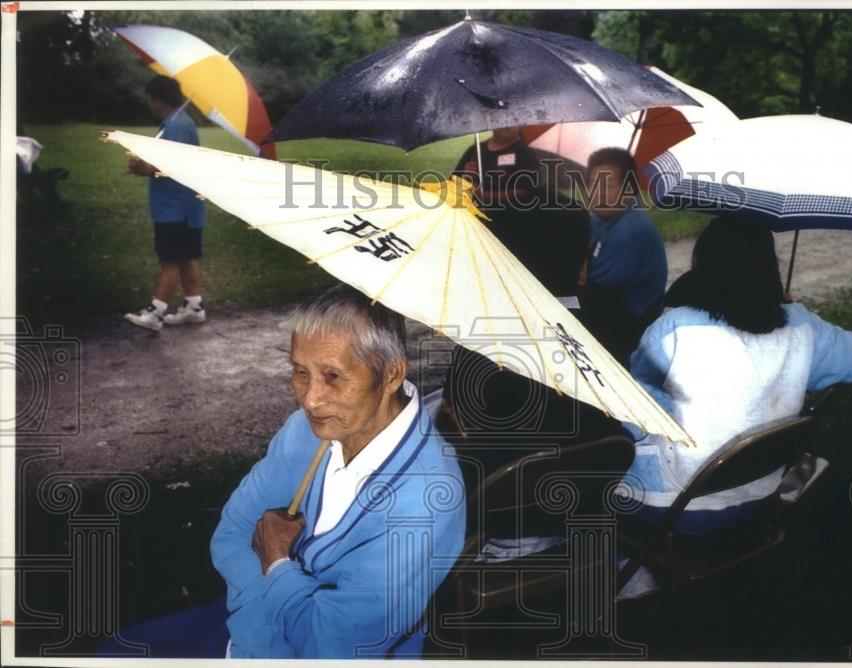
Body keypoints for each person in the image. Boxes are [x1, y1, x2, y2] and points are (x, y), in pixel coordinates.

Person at [211, 284, 466, 658]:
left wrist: (277, 561)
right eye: (300, 372)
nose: (310, 399)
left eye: (332, 376)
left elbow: (334, 649)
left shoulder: (425, 498)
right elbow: (231, 533)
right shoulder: (303, 431)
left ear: (391, 374)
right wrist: (259, 637)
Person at [619, 217, 852, 533]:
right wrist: (796, 315)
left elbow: (632, 414)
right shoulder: (803, 326)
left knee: (595, 464)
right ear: (770, 268)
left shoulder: (674, 328)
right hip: (759, 492)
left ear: (701, 267)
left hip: (673, 506)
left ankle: (624, 569)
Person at [124, 75, 208, 332]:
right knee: (185, 258)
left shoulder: (177, 126)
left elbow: (174, 166)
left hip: (176, 209)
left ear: (158, 100)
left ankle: (156, 312)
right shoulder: (177, 124)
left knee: (170, 260)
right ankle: (194, 307)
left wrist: (145, 169)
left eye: (151, 100)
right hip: (186, 208)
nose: (150, 104)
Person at [578, 148, 667, 365]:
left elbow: (590, 287)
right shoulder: (603, 217)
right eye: (593, 184)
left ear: (629, 189)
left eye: (608, 186)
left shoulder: (628, 232)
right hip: (610, 307)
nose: (598, 193)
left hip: (631, 327)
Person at [453, 126, 542, 204]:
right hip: (474, 216)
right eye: (499, 122)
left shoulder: (526, 154)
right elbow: (454, 183)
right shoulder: (475, 150)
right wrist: (466, 178)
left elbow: (526, 192)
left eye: (509, 121)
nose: (504, 125)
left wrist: (483, 196)